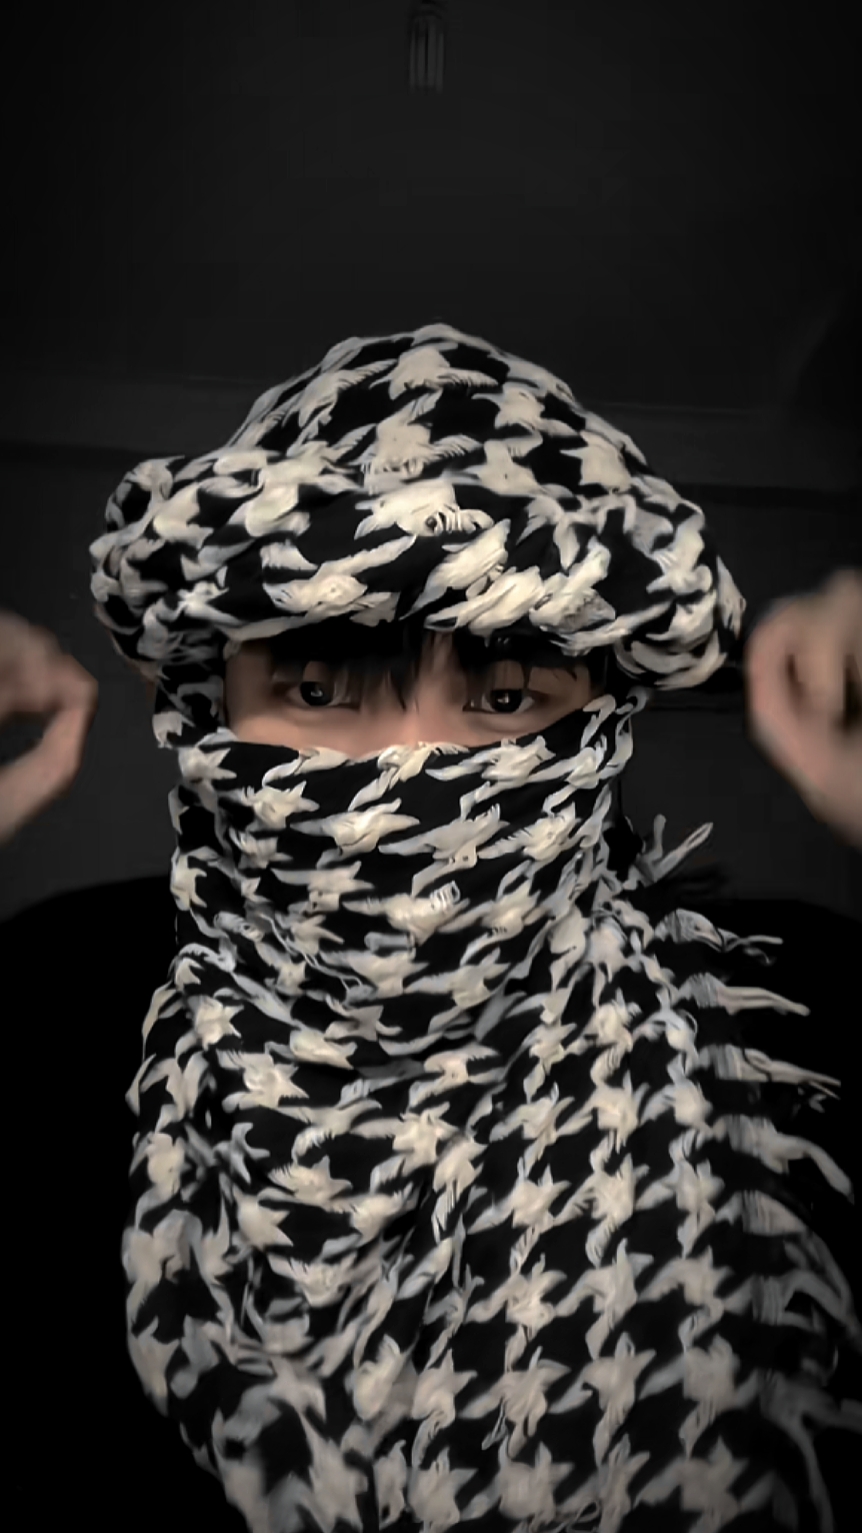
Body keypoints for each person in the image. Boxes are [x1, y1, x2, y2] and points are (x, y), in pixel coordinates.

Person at [3, 319, 862, 1532]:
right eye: (316, 688)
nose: (408, 772)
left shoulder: (804, 1025)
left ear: (601, 724)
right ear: (207, 708)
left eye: (503, 697)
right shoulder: (46, 1003)